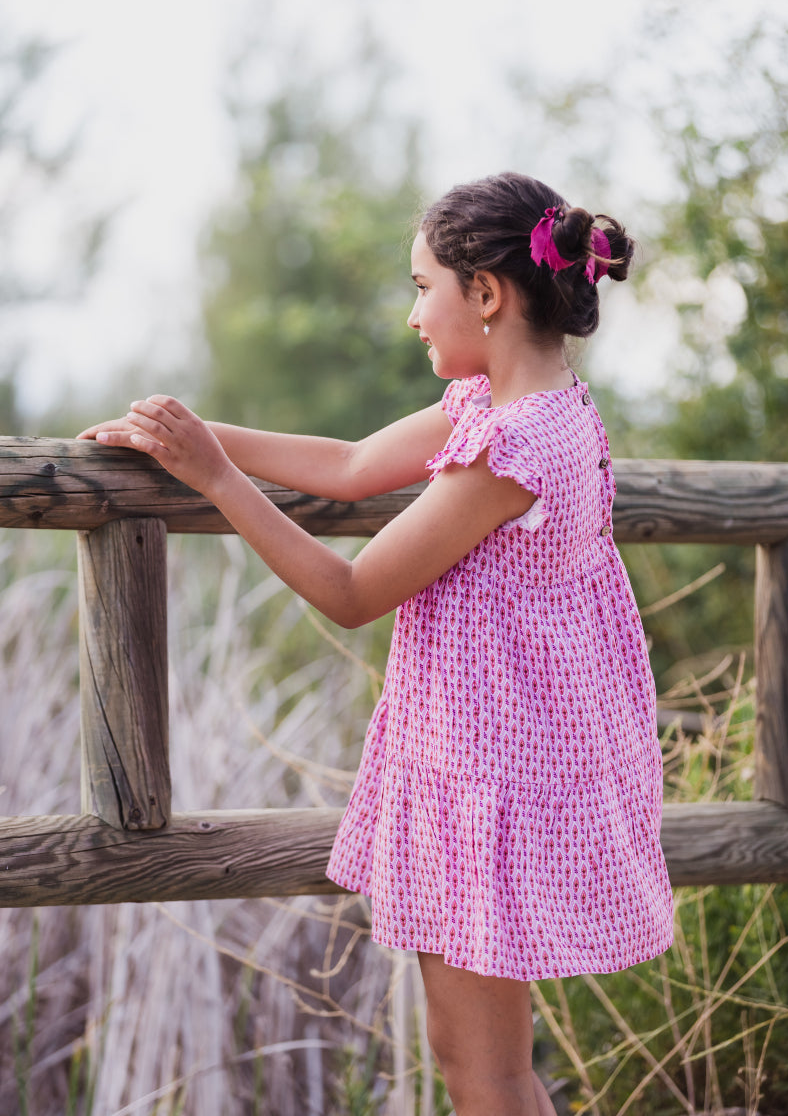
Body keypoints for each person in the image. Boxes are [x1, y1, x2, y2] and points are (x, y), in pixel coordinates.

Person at [78, 171, 674, 1116]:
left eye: (421, 287)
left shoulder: (510, 449)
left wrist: (221, 482)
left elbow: (352, 593)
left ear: (486, 293)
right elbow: (351, 466)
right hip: (484, 764)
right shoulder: (516, 408)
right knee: (479, 1062)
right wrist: (188, 437)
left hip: (495, 780)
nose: (413, 316)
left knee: (486, 1075)